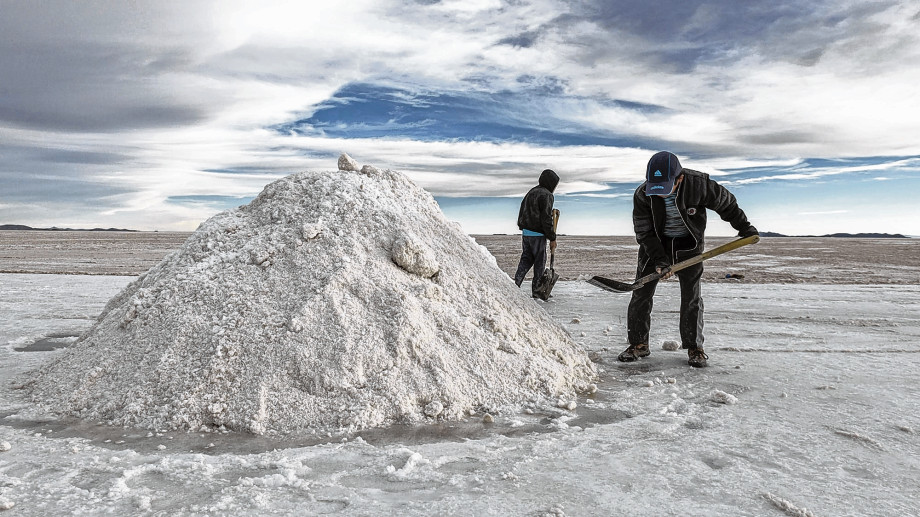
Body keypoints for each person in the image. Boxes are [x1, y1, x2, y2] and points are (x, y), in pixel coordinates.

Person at [618, 151, 758, 367]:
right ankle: (638, 344)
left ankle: (694, 347)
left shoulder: (699, 185)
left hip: (689, 247)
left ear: (680, 178)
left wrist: (744, 227)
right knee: (640, 293)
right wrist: (660, 260)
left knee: (691, 297)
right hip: (655, 246)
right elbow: (644, 232)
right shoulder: (642, 194)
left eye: (666, 188)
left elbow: (727, 204)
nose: (661, 195)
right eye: (656, 189)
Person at [514, 169, 559, 297]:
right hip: (538, 235)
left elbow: (522, 210)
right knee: (540, 262)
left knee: (526, 259)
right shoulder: (547, 195)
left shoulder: (531, 192)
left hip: (526, 233)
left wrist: (522, 227)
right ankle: (537, 291)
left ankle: (516, 283)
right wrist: (552, 238)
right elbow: (546, 219)